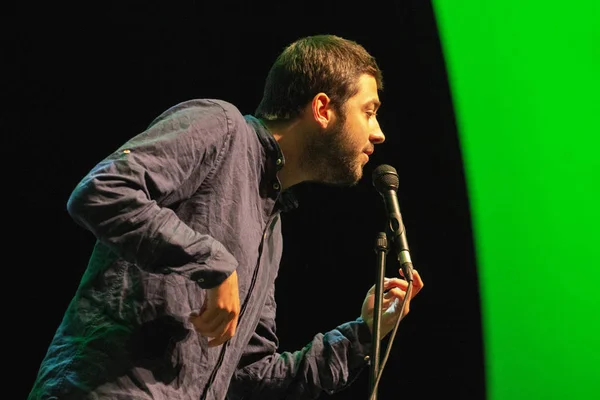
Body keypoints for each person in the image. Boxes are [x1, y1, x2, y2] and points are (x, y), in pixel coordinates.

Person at [28, 34, 424, 400]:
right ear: (323, 109)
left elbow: (250, 375)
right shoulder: (220, 125)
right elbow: (102, 192)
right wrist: (213, 262)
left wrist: (364, 335)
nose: (379, 133)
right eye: (368, 111)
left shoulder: (272, 226)